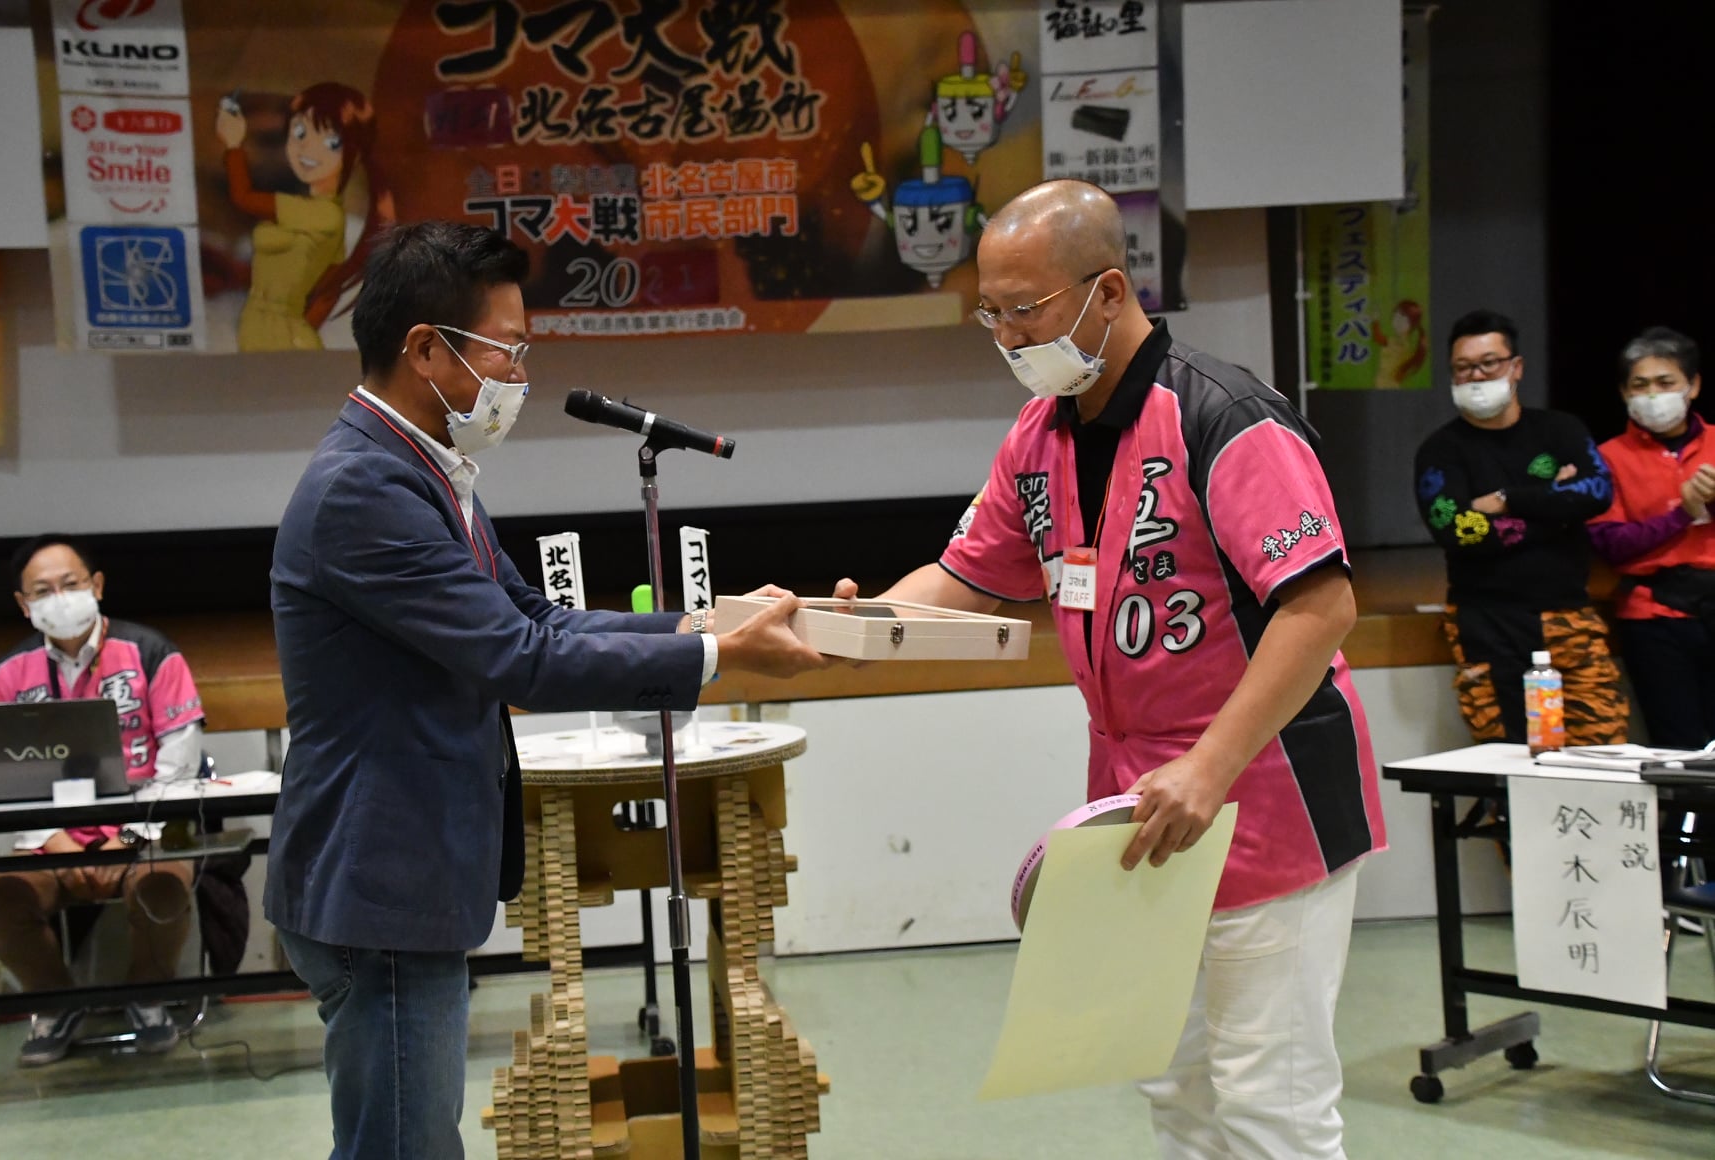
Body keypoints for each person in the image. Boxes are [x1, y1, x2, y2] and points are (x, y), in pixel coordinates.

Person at [836, 180, 1386, 1159]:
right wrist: (856, 622)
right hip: (1141, 810)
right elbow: (966, 580)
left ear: (1109, 291)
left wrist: (1210, 767)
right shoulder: (1039, 435)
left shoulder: (1224, 415)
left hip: (1268, 796)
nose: (1009, 336)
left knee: (1271, 1103)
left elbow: (1321, 607)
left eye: (1026, 309)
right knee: (1176, 1088)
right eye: (991, 314)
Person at [267, 220, 828, 1160]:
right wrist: (718, 657)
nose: (520, 375)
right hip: (378, 878)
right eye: (507, 349)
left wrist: (703, 625)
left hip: (399, 876)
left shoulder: (425, 469)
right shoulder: (365, 490)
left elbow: (536, 618)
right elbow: (521, 659)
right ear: (426, 349)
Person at [0, 535, 205, 1065]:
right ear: (23, 604)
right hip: (51, 841)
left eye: (70, 584)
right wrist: (57, 842)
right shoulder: (9, 673)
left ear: (96, 586)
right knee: (0, 902)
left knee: (163, 889)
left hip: (141, 832)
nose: (59, 598)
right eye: (42, 590)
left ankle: (146, 997)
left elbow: (179, 766)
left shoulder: (153, 654)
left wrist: (125, 838)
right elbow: (2, 776)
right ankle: (58, 1003)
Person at [1413, 309, 1628, 745]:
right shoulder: (1439, 451)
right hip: (1485, 622)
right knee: (1508, 759)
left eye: (1489, 363)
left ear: (1517, 367)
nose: (1476, 375)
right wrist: (1558, 511)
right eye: (1463, 367)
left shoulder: (1561, 429)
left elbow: (1598, 491)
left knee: (1603, 748)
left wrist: (1509, 499)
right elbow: (1458, 530)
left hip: (1569, 615)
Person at [1588, 326, 1715, 748]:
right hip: (1653, 616)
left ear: (1693, 385)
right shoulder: (1607, 457)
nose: (1653, 395)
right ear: (1624, 393)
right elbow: (1611, 545)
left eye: (1665, 383)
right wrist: (1683, 514)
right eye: (1640, 386)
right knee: (1677, 747)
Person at [216, 81, 392, 351]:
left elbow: (243, 196)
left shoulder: (322, 218)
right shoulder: (230, 252)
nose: (270, 125)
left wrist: (233, 144)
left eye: (287, 114)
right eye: (249, 110)